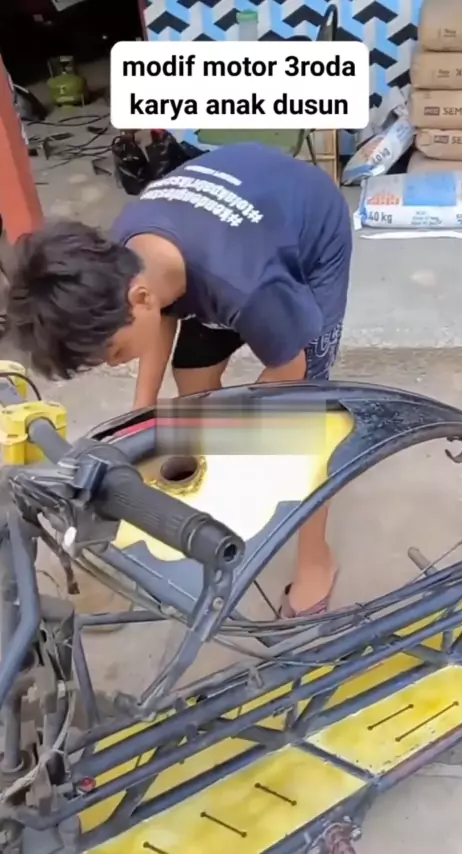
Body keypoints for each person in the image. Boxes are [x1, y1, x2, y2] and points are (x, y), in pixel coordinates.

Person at [7, 142, 352, 617]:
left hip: (309, 229)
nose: (113, 364)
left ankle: (317, 560)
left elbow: (288, 373)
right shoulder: (128, 254)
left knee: (302, 423)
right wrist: (144, 405)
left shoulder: (249, 287)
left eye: (114, 352)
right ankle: (211, 506)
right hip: (233, 218)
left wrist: (243, 434)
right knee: (192, 377)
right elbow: (161, 310)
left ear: (139, 297)